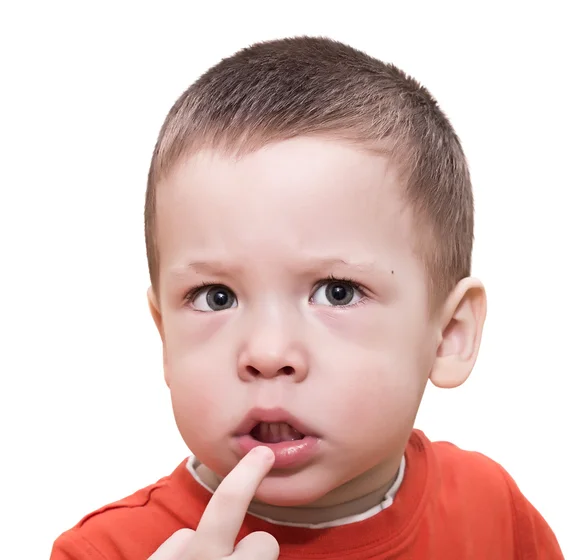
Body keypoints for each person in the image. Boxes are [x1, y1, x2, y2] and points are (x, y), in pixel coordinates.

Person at [50, 36, 564, 559]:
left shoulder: (491, 511)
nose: (268, 354)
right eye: (216, 297)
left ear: (450, 333)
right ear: (164, 340)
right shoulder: (104, 551)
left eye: (337, 293)